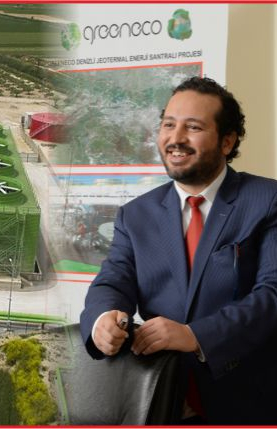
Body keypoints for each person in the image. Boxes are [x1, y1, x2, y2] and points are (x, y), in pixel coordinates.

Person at [79, 76, 277, 424]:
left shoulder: (267, 200)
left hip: (247, 403)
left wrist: (195, 336)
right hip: (158, 400)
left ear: (227, 141)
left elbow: (272, 296)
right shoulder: (135, 215)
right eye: (169, 125)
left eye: (193, 127)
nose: (176, 138)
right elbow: (113, 281)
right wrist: (102, 321)